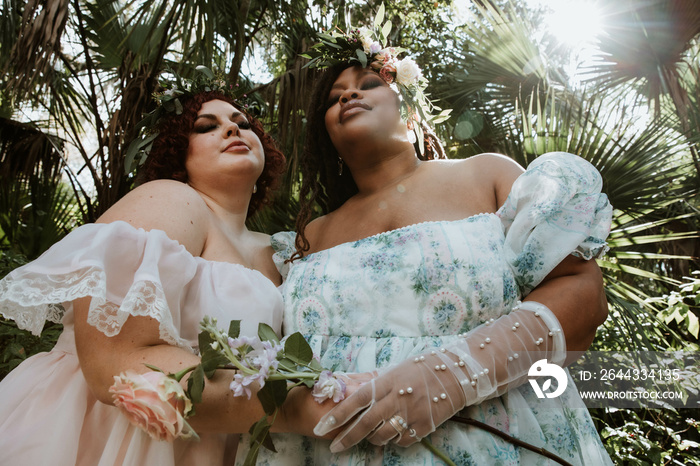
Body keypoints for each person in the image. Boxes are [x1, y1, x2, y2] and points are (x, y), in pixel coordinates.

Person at [239, 23, 615, 465]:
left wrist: (452, 376)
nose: (346, 96)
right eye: (333, 96)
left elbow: (584, 297)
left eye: (369, 83)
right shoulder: (302, 242)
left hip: (499, 442)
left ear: (411, 109)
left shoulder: (487, 175)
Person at [0, 77, 341, 465]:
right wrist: (301, 406)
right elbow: (112, 362)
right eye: (206, 126)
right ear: (180, 153)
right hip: (119, 435)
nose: (232, 128)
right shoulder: (174, 200)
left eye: (242, 123)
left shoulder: (277, 250)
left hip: (220, 442)